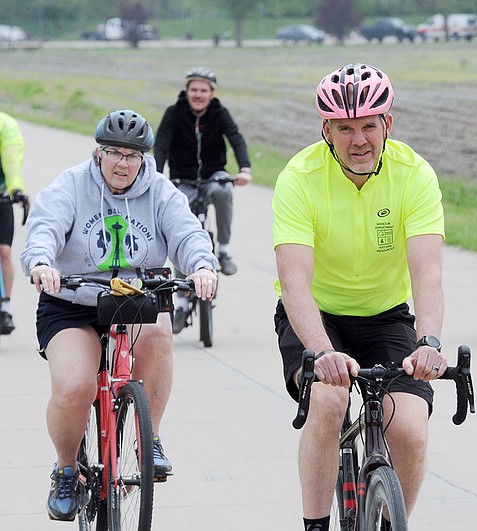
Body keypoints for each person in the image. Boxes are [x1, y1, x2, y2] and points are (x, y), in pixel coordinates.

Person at [272, 63, 448, 531]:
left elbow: (427, 274)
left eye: (369, 125)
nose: (359, 140)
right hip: (315, 315)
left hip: (386, 317)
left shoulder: (414, 174)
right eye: (345, 128)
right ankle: (315, 524)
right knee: (328, 403)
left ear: (388, 124)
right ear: (325, 130)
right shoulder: (299, 177)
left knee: (409, 429)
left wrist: (429, 341)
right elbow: (294, 284)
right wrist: (324, 352)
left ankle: (391, 522)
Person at [20, 109, 218, 522]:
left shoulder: (160, 191)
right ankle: (66, 469)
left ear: (144, 158)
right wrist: (41, 262)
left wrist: (201, 266)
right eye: (114, 153)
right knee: (74, 387)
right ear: (98, 152)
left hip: (134, 297)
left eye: (133, 155)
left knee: (160, 333)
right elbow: (44, 228)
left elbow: (187, 232)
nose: (123, 163)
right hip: (72, 300)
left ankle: (151, 439)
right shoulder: (71, 185)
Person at [154, 66, 251, 277]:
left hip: (214, 174)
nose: (198, 95)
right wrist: (157, 174)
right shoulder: (173, 113)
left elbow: (236, 139)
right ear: (187, 91)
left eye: (203, 90)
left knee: (223, 191)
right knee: (181, 221)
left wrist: (244, 169)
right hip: (183, 177)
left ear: (212, 94)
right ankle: (181, 298)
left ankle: (223, 250)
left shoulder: (220, 114)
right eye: (194, 90)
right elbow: (161, 144)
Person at [0, 111, 27, 334]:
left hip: (1, 197)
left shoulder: (5, 124)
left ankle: (5, 306)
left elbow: (11, 157)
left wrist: (16, 189)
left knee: (4, 252)